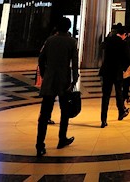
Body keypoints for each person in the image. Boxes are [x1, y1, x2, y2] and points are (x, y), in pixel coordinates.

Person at [35, 18, 78, 157]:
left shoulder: (50, 40)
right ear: (69, 28)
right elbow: (75, 63)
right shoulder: (71, 42)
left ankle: (40, 145)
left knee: (44, 114)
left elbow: (41, 58)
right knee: (65, 112)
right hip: (64, 80)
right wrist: (74, 78)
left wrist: (44, 73)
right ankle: (62, 139)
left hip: (49, 80)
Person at [98, 23, 129, 127]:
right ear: (124, 34)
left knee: (105, 95)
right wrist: (124, 69)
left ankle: (103, 119)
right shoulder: (123, 43)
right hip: (117, 71)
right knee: (119, 92)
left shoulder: (109, 40)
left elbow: (102, 48)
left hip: (106, 70)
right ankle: (121, 112)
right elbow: (126, 58)